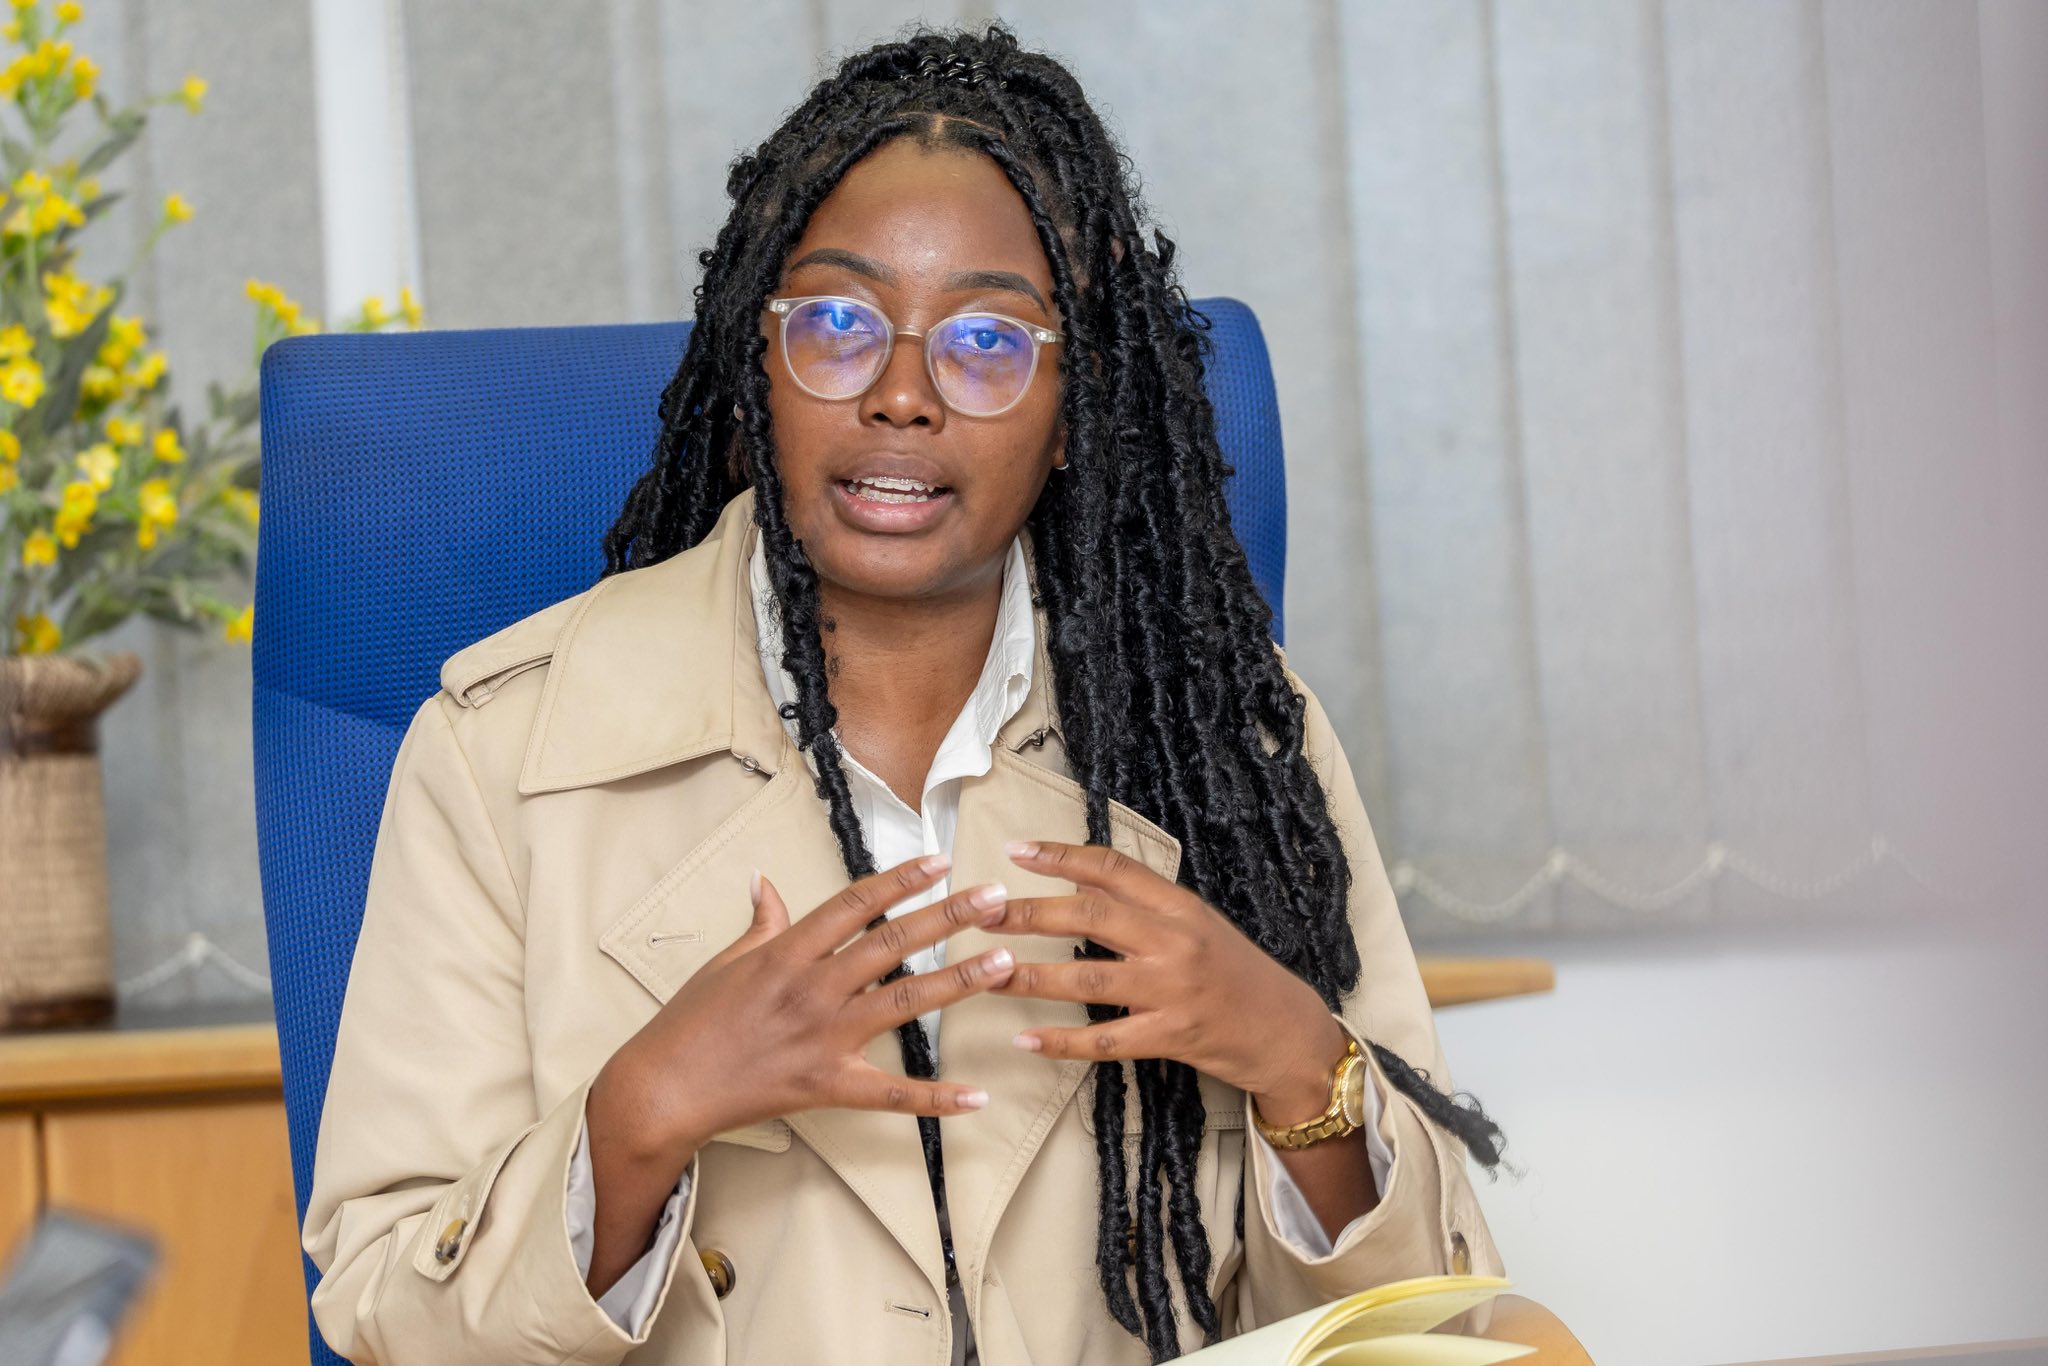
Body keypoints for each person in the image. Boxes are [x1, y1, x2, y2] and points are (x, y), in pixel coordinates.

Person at [301, 21, 1508, 1366]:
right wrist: (641, 1112)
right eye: (837, 324)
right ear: (757, 365)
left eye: (987, 340)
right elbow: (384, 1306)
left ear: (1076, 407)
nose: (902, 395)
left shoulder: (1229, 738)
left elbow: (1428, 1329)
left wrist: (1293, 1056)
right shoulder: (499, 751)